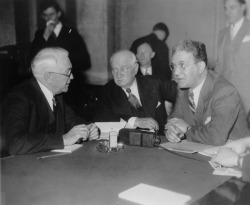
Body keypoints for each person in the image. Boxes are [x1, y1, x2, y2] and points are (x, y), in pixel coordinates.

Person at [3, 47, 99, 155]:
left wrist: (87, 128)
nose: (72, 77)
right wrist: (63, 140)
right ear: (49, 77)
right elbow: (15, 144)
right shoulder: (20, 98)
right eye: (68, 72)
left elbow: (72, 120)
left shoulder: (57, 94)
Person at [164, 40, 249, 145]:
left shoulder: (225, 92)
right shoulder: (183, 88)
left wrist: (187, 128)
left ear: (200, 67)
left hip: (233, 152)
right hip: (200, 148)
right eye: (174, 66)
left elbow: (216, 137)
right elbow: (175, 118)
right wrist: (171, 131)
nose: (176, 72)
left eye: (182, 65)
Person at [94, 50, 177, 134]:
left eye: (123, 68)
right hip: (128, 145)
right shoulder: (107, 91)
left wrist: (177, 119)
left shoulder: (155, 83)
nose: (118, 75)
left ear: (136, 68)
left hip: (160, 141)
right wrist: (134, 121)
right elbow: (101, 117)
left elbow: (182, 93)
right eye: (114, 70)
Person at [30, 0, 91, 113]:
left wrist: (65, 67)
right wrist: (45, 37)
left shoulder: (71, 32)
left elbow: (85, 61)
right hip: (48, 83)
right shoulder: (40, 34)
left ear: (58, 14)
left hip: (71, 84)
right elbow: (33, 59)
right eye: (45, 15)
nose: (49, 18)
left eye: (52, 14)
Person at [216, 0, 250, 113]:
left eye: (232, 8)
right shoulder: (222, 34)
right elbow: (219, 67)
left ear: (243, 7)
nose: (228, 12)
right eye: (225, 8)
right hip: (227, 97)